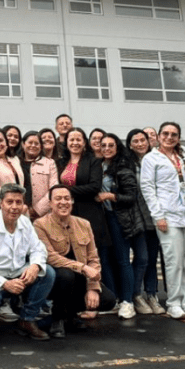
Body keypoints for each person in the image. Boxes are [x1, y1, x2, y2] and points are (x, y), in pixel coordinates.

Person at [35, 185, 116, 338]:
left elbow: (93, 258)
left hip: (79, 279)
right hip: (55, 280)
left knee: (108, 300)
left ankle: (69, 315)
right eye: (58, 199)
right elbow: (50, 256)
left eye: (67, 198)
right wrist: (83, 268)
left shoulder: (84, 224)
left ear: (72, 202)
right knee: (66, 275)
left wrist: (93, 287)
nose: (63, 202)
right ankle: (58, 318)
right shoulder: (40, 224)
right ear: (50, 203)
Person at [139, 122, 185, 321]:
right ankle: (174, 302)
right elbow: (148, 188)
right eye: (165, 134)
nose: (169, 137)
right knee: (174, 260)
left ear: (179, 137)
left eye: (174, 134)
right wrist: (158, 216)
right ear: (158, 136)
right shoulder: (151, 158)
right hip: (168, 217)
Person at [0, 183, 53, 341]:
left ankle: (27, 319)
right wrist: (5, 283)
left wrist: (34, 266)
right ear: (1, 203)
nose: (14, 207)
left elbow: (38, 248)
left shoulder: (24, 222)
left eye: (19, 202)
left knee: (48, 273)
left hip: (18, 274)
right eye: (9, 202)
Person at [56, 128, 113, 298]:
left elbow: (94, 187)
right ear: (66, 143)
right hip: (66, 215)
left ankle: (100, 297)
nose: (74, 143)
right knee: (72, 257)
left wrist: (66, 191)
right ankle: (77, 299)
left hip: (89, 214)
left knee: (92, 257)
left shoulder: (93, 161)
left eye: (78, 139)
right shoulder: (61, 162)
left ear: (84, 142)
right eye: (71, 139)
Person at [98, 133, 148, 320]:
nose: (107, 149)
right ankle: (116, 299)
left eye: (111, 145)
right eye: (104, 145)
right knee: (107, 261)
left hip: (120, 218)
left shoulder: (123, 168)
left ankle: (128, 301)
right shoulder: (100, 165)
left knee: (123, 260)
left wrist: (110, 196)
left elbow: (131, 197)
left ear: (117, 147)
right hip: (105, 220)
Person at [125, 128, 163, 315]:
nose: (140, 144)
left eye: (143, 140)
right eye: (136, 141)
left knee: (152, 259)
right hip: (137, 218)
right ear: (130, 145)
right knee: (142, 258)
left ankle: (151, 294)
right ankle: (136, 294)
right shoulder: (128, 163)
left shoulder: (158, 159)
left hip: (155, 217)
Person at [19, 130, 58, 219]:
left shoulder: (49, 163)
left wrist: (37, 210)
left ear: (41, 147)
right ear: (23, 144)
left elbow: (54, 189)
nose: (33, 145)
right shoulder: (15, 162)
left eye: (36, 143)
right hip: (18, 213)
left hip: (43, 215)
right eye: (30, 142)